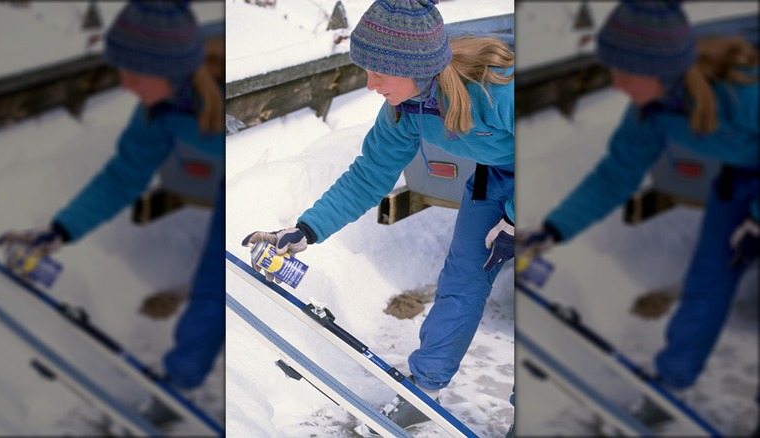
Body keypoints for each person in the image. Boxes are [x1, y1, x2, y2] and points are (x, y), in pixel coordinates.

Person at [242, 0, 515, 431]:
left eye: (378, 73)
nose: (369, 84)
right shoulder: (404, 109)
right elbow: (368, 176)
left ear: (414, 66)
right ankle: (424, 390)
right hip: (497, 178)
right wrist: (306, 230)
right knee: (460, 281)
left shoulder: (497, 86)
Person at [518, 0, 758, 432]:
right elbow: (615, 176)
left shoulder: (745, 91)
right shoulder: (651, 110)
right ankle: (671, 384)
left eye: (627, 73)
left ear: (664, 70)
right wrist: (553, 230)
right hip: (742, 180)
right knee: (707, 282)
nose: (618, 83)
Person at [0, 0, 226, 426]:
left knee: (215, 291)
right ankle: (179, 388)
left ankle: (192, 385)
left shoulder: (227, 87)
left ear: (169, 67)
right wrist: (59, 231)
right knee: (208, 289)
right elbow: (122, 177)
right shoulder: (159, 111)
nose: (125, 83)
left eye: (135, 73)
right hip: (214, 192)